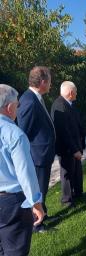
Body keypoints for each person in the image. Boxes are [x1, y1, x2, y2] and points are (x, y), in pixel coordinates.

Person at [0, 84, 45, 255]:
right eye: (17, 105)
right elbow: (25, 174)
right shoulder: (14, 134)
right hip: (12, 203)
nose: (18, 109)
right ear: (10, 107)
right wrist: (36, 203)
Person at [17, 66, 56, 232]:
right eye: (49, 81)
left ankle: (43, 214)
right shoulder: (29, 101)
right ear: (42, 82)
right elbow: (22, 132)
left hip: (43, 154)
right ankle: (36, 224)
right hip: (37, 156)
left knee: (43, 188)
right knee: (37, 190)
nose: (51, 85)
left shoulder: (36, 98)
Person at [51, 81, 85, 207]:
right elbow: (64, 132)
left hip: (75, 146)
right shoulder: (59, 105)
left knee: (76, 171)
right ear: (71, 92)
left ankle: (78, 193)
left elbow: (75, 125)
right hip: (67, 149)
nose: (76, 94)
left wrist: (80, 145)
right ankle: (67, 200)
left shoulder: (69, 104)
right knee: (67, 174)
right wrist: (74, 149)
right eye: (75, 91)